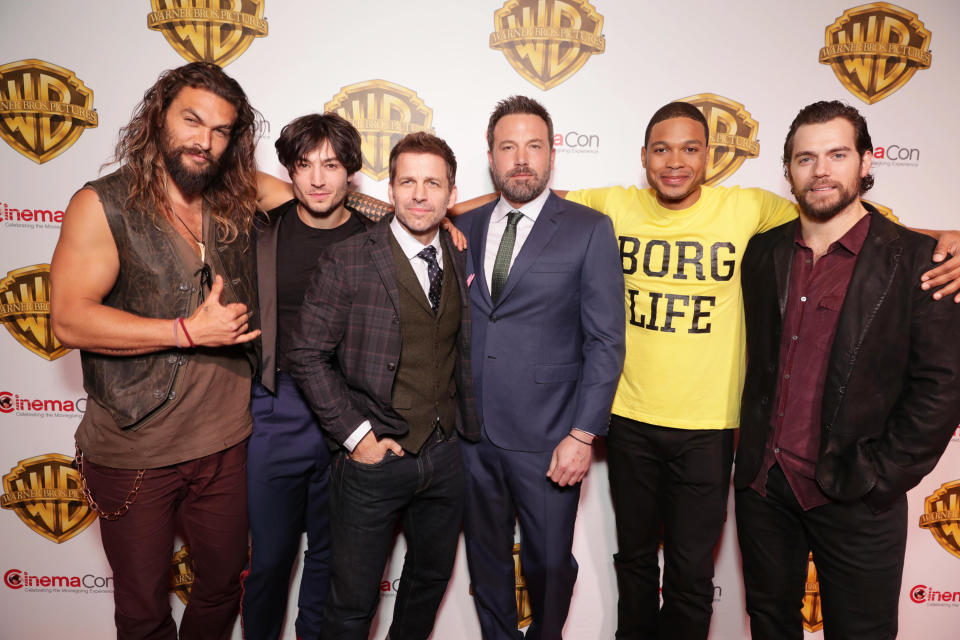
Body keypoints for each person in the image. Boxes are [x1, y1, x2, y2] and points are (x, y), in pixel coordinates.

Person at [452, 100, 960, 640]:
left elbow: (840, 214)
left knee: (693, 575)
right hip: (628, 419)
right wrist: (441, 210)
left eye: (690, 149)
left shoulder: (751, 210)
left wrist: (939, 241)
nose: (675, 162)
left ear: (710, 157)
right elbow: (527, 198)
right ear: (643, 158)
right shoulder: (611, 206)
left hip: (710, 427)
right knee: (636, 564)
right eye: (662, 150)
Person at [49, 62, 262, 640]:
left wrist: (426, 213)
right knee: (143, 610)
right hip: (134, 449)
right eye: (192, 121)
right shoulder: (104, 203)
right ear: (158, 118)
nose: (206, 141)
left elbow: (325, 193)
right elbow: (68, 318)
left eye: (222, 130)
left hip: (225, 443)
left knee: (221, 586)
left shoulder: (235, 192)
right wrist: (185, 332)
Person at [735, 100, 960, 639]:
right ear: (788, 171)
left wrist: (882, 476)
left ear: (865, 161)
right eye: (806, 158)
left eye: (837, 154)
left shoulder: (920, 260)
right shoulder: (763, 252)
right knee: (769, 626)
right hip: (766, 489)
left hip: (858, 494)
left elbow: (943, 385)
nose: (821, 171)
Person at [287, 131, 479, 640]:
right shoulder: (349, 258)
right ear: (389, 191)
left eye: (433, 183)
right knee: (350, 603)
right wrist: (356, 437)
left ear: (451, 194)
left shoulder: (460, 256)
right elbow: (306, 354)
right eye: (408, 181)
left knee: (428, 584)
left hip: (443, 457)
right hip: (373, 462)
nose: (420, 194)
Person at [454, 96, 625, 640]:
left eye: (533, 146)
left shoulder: (589, 228)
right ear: (491, 156)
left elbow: (606, 340)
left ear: (552, 153)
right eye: (508, 147)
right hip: (471, 433)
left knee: (550, 564)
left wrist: (583, 432)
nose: (521, 159)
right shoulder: (462, 227)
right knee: (486, 562)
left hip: (551, 436)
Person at [241, 113, 377, 640]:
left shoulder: (377, 240)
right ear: (289, 173)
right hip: (277, 407)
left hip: (351, 415)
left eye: (331, 165)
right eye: (304, 165)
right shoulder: (261, 233)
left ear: (350, 173)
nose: (318, 179)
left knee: (332, 559)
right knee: (271, 558)